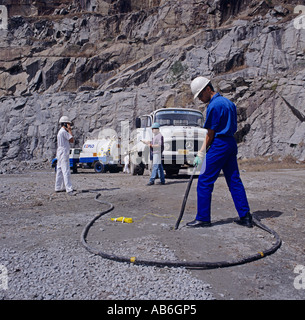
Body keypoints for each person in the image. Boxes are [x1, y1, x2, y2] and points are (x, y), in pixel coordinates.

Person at [186, 76, 252, 228]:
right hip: (230, 143)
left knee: (204, 180)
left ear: (208, 89)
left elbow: (210, 133)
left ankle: (203, 218)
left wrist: (201, 153)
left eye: (201, 95)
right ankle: (245, 216)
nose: (201, 99)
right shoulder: (229, 103)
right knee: (234, 180)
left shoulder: (214, 106)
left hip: (219, 144)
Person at [55, 116, 75, 195]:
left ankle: (58, 187)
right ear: (65, 124)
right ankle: (69, 189)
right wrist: (70, 130)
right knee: (66, 170)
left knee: (59, 170)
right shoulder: (63, 132)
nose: (69, 126)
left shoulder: (60, 131)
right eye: (68, 124)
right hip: (63, 152)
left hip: (60, 152)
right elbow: (72, 140)